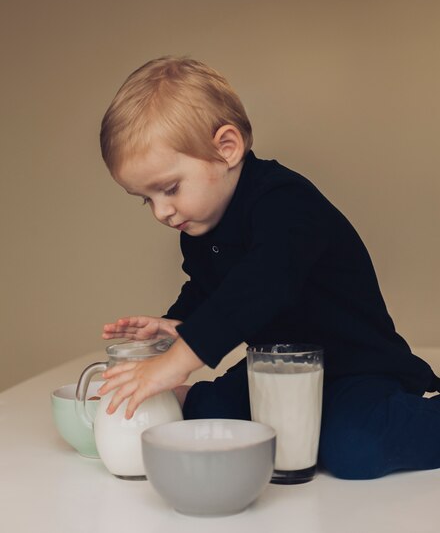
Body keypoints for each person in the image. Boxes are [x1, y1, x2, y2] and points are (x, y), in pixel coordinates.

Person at [97, 56, 440, 480]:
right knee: (209, 413)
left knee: (354, 449)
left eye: (169, 189)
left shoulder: (286, 205)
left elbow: (257, 287)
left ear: (227, 149)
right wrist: (176, 324)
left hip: (353, 366)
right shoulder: (200, 225)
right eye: (146, 199)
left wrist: (180, 360)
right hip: (277, 368)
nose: (162, 212)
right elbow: (208, 287)